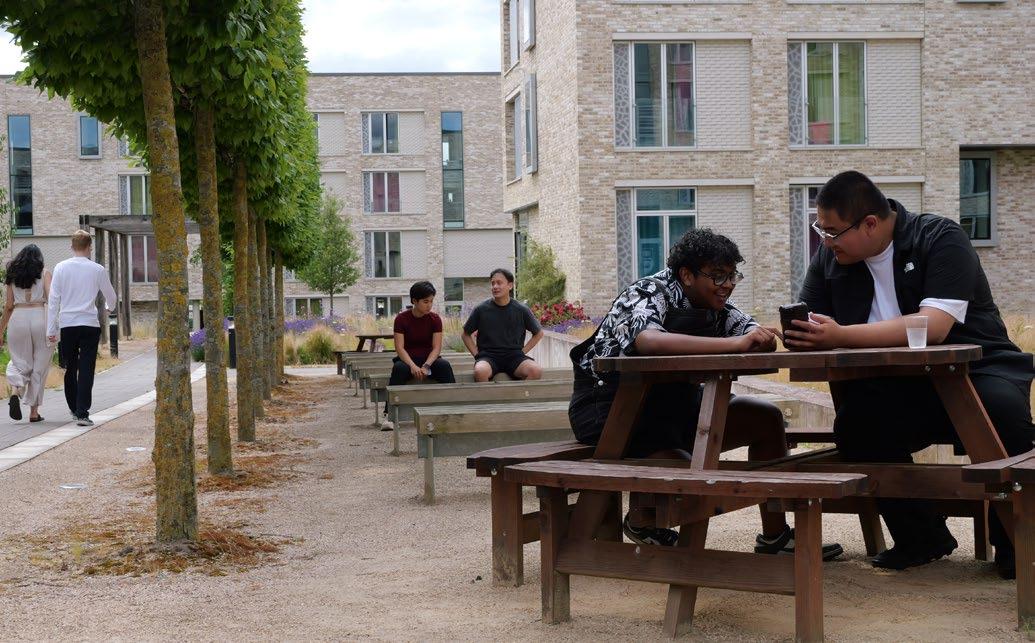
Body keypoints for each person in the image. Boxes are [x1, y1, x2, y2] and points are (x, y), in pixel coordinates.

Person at [786, 170, 1034, 577]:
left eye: (832, 231)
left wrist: (841, 334)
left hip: (978, 370)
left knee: (1003, 413)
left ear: (870, 223)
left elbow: (933, 326)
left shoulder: (940, 238)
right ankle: (922, 537)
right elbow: (811, 320)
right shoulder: (832, 258)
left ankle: (1017, 546)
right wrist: (801, 334)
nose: (825, 241)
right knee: (857, 425)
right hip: (898, 385)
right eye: (821, 230)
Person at [569, 228, 842, 559]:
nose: (727, 284)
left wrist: (762, 338)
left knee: (765, 419)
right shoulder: (647, 292)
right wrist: (734, 344)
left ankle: (776, 537)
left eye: (732, 275)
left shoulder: (717, 305)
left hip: (674, 410)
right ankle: (643, 520)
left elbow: (750, 331)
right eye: (718, 276)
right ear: (687, 275)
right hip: (609, 410)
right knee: (692, 473)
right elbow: (649, 340)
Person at [47, 230, 117, 427]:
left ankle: (73, 408)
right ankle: (82, 412)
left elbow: (53, 300)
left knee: (69, 367)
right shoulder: (97, 269)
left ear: (72, 246)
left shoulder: (61, 268)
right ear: (89, 247)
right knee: (86, 368)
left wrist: (51, 329)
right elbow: (111, 296)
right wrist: (109, 307)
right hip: (89, 324)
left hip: (68, 324)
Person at [381, 281, 456, 430]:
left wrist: (427, 365)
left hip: (429, 359)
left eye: (431, 301)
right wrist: (413, 366)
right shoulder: (401, 319)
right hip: (407, 359)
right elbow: (400, 348)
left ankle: (454, 410)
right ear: (414, 301)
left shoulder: (435, 319)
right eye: (425, 302)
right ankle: (389, 415)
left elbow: (436, 348)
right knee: (398, 369)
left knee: (444, 366)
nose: (429, 305)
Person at [461, 268, 544, 382]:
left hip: (515, 356)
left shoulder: (521, 309)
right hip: (488, 356)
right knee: (480, 371)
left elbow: (539, 333)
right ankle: (488, 395)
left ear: (510, 285)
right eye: (493, 283)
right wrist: (477, 355)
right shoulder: (481, 309)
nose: (495, 286)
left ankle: (520, 394)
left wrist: (523, 351)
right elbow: (465, 334)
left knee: (535, 370)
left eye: (499, 283)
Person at [0, 244, 53, 423]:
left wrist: (0, 330)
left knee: (19, 361)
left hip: (18, 318)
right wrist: (55, 326)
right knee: (40, 365)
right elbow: (52, 300)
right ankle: (34, 412)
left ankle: (15, 391)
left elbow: (8, 306)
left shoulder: (12, 274)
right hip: (40, 317)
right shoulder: (45, 273)